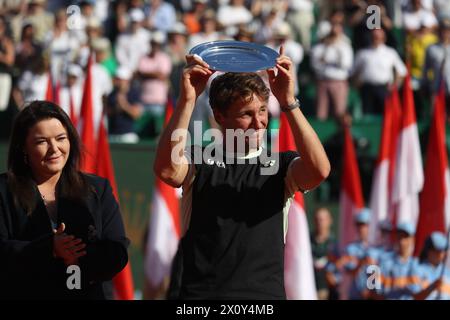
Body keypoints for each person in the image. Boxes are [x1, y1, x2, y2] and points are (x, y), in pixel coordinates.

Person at [154, 47, 330, 299]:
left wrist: (288, 101)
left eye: (261, 111)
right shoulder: (198, 159)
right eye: (246, 114)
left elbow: (319, 170)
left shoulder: (280, 165)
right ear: (219, 116)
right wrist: (188, 99)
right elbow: (166, 170)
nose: (259, 122)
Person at [0, 101, 129, 299]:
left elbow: (116, 251)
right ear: (23, 147)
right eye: (41, 141)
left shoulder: (97, 189)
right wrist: (49, 248)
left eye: (61, 138)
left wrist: (75, 260)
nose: (54, 149)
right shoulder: (4, 190)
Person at [311, 207, 337, 300]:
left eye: (322, 219)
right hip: (309, 289)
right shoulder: (306, 241)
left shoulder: (336, 244)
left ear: (330, 221)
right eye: (317, 219)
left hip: (330, 291)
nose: (319, 222)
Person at [416, 231, 450, 300]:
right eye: (437, 251)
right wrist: (432, 287)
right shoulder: (417, 269)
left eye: (443, 251)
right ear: (428, 251)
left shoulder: (448, 273)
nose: (440, 254)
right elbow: (415, 297)